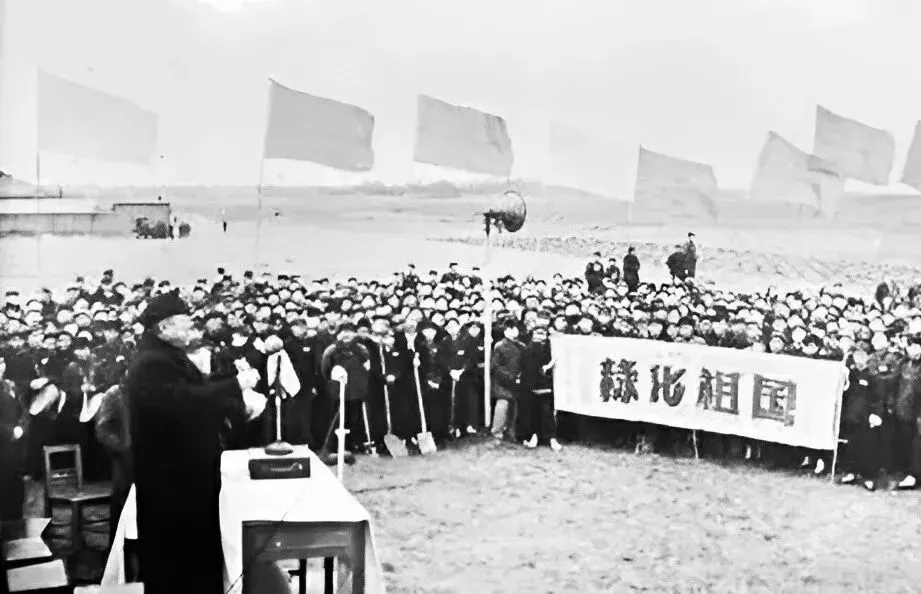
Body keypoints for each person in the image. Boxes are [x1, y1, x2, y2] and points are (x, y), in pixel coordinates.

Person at [127, 289, 262, 594]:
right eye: (185, 322)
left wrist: (236, 400)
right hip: (172, 480)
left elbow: (197, 390)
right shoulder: (151, 362)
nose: (192, 328)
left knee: (193, 554)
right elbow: (184, 401)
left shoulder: (167, 356)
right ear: (163, 327)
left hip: (186, 475)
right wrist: (235, 385)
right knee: (178, 560)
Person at [518, 327, 562, 451]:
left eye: (543, 333)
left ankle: (552, 438)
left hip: (547, 385)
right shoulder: (527, 350)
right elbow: (527, 369)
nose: (540, 336)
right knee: (533, 413)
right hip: (531, 385)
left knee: (547, 413)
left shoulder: (551, 349)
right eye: (538, 333)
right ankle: (534, 436)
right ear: (532, 334)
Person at [489, 320, 525, 443]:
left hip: (518, 380)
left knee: (515, 407)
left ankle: (512, 431)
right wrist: (510, 377)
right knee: (502, 404)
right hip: (502, 381)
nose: (512, 332)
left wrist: (520, 376)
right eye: (509, 329)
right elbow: (495, 366)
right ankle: (497, 431)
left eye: (514, 329)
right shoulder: (499, 346)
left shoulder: (522, 346)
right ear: (505, 332)